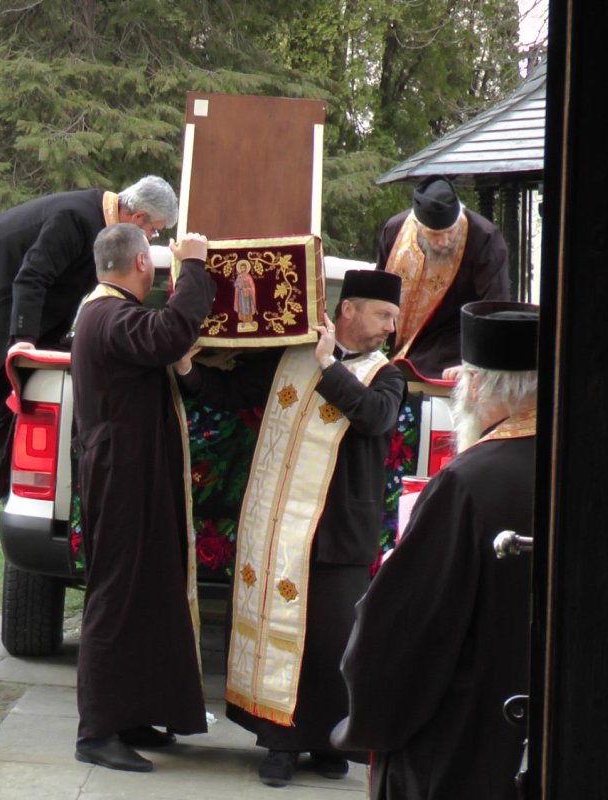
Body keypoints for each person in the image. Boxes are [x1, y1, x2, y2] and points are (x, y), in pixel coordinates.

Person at [175, 270, 407, 787]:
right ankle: (280, 745)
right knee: (282, 636)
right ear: (349, 310)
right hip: (278, 526)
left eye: (393, 319)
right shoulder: (290, 356)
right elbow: (232, 392)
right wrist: (188, 367)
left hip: (339, 533)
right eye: (383, 315)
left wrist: (328, 365)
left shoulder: (386, 374)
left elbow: (373, 417)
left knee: (332, 642)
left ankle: (329, 743)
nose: (389, 328)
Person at [333, 300, 539, 800]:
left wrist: (369, 719)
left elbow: (403, 628)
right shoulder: (578, 464)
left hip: (465, 739)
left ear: (478, 386)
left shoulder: (469, 480)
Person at [0, 177, 178, 497]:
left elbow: (66, 288)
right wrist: (23, 340)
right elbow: (32, 277)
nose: (150, 239)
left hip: (12, 282)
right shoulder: (76, 219)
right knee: (5, 374)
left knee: (1, 371)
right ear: (138, 218)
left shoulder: (101, 221)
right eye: (154, 231)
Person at [69, 224, 217, 773]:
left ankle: (130, 715)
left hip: (132, 473)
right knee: (115, 597)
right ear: (139, 263)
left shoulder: (107, 314)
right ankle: (96, 731)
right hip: (121, 477)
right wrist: (194, 264)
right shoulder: (108, 314)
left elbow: (164, 347)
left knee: (147, 594)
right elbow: (170, 334)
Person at [377, 175, 511, 380]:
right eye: (435, 234)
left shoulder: (484, 237)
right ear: (417, 226)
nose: (444, 241)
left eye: (450, 231)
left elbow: (495, 309)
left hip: (455, 349)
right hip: (397, 350)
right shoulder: (395, 231)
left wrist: (475, 363)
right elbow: (378, 295)